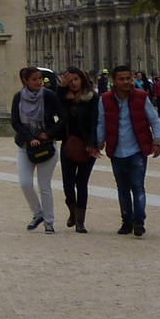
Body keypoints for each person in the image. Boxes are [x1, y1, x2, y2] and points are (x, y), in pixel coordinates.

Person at [98, 64, 160, 237]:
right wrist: (98, 143)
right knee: (122, 188)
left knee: (138, 186)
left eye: (129, 78)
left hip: (137, 149)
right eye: (122, 79)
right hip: (116, 149)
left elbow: (154, 120)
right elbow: (101, 123)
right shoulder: (105, 99)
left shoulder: (142, 97)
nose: (126, 82)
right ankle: (126, 221)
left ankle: (139, 221)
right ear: (114, 81)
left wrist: (157, 141)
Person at [10, 66, 64, 234]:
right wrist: (29, 138)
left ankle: (49, 221)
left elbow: (63, 117)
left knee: (44, 185)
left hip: (47, 144)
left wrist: (47, 134)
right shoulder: (18, 97)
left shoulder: (49, 96)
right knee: (25, 183)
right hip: (26, 145)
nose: (39, 82)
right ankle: (37, 213)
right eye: (34, 79)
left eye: (40, 78)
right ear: (25, 81)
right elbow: (15, 122)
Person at [57, 67, 100, 234]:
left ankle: (80, 221)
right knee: (67, 183)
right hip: (69, 142)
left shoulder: (93, 98)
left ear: (82, 80)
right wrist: (61, 87)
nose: (73, 83)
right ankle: (72, 211)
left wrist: (92, 144)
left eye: (76, 79)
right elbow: (56, 103)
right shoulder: (65, 98)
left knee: (81, 183)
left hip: (87, 144)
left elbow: (96, 121)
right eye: (70, 80)